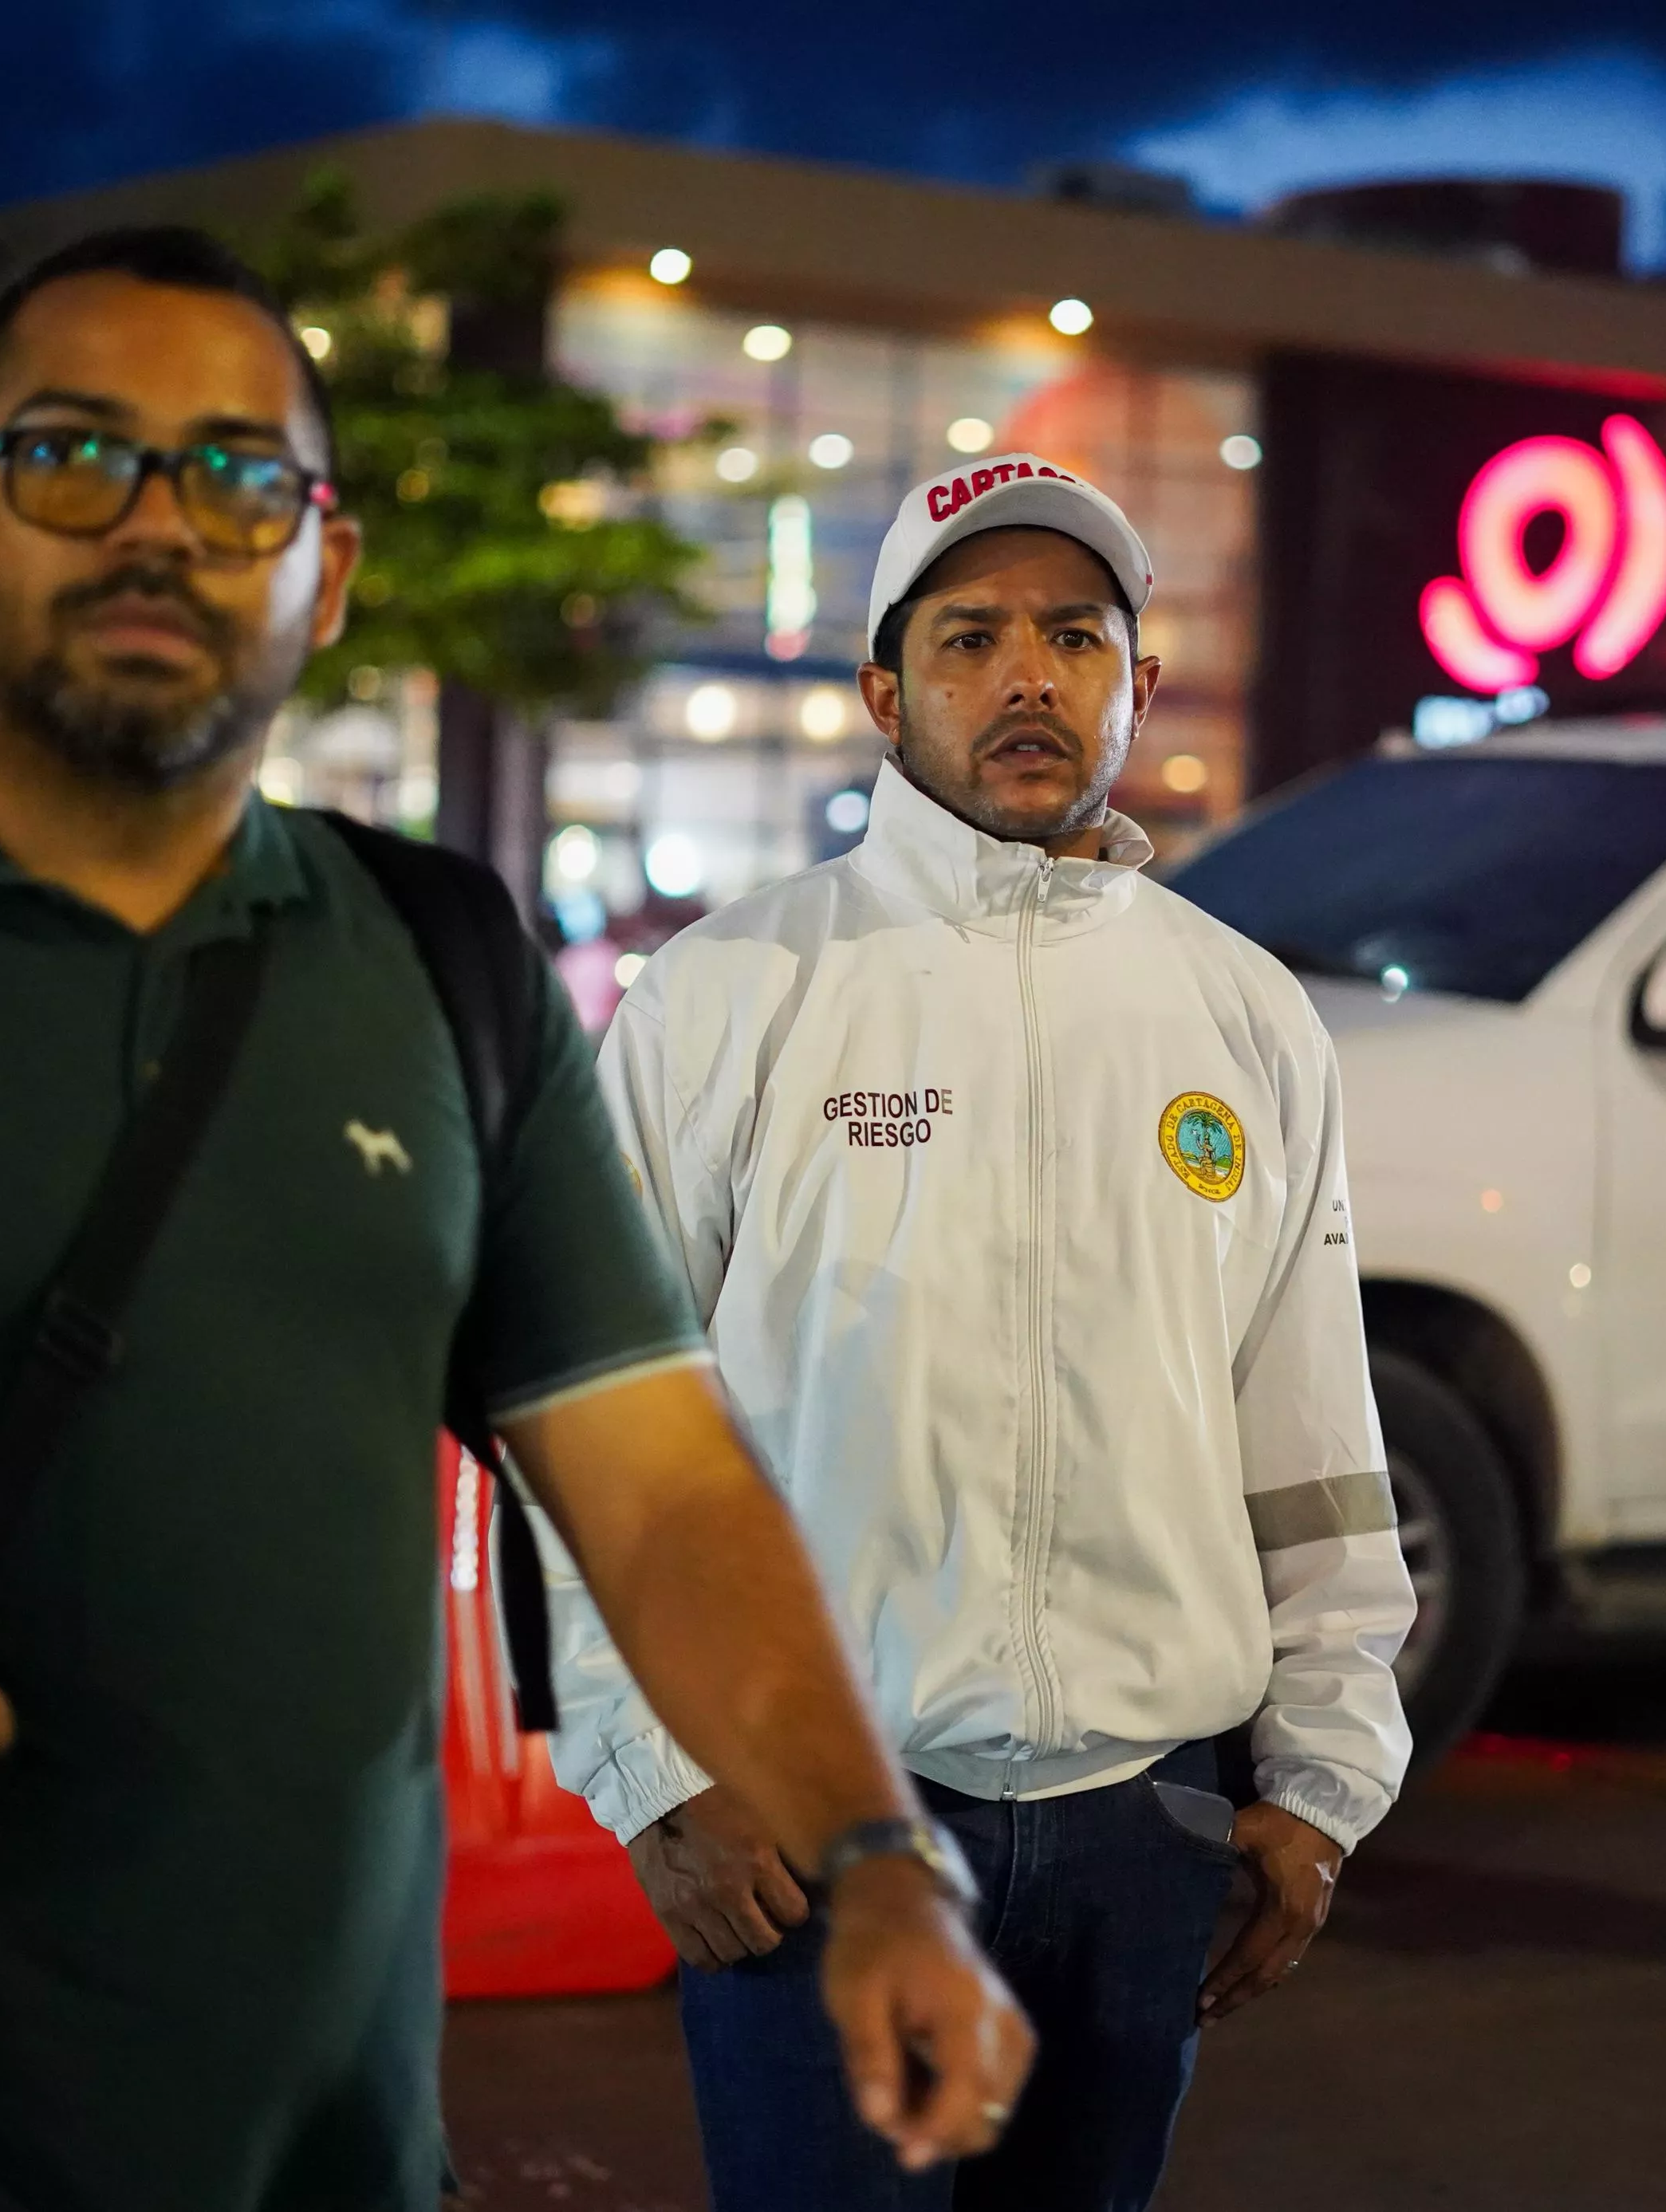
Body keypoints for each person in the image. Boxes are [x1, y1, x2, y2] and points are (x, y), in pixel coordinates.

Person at [0, 226, 1026, 2211]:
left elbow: (665, 1491)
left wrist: (878, 1855)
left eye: (239, 476)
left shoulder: (442, 970)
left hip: (328, 2157)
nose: (159, 525)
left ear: (323, 572)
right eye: (74, 453)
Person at [549, 455, 1416, 2210]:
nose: (1028, 675)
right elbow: (585, 1420)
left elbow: (1311, 1438)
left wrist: (1323, 1784)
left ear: (1137, 685)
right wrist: (648, 1773)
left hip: (1147, 1840)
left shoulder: (1244, 1017)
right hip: (815, 1826)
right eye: (970, 638)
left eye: (1074, 637)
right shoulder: (731, 994)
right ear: (885, 693)